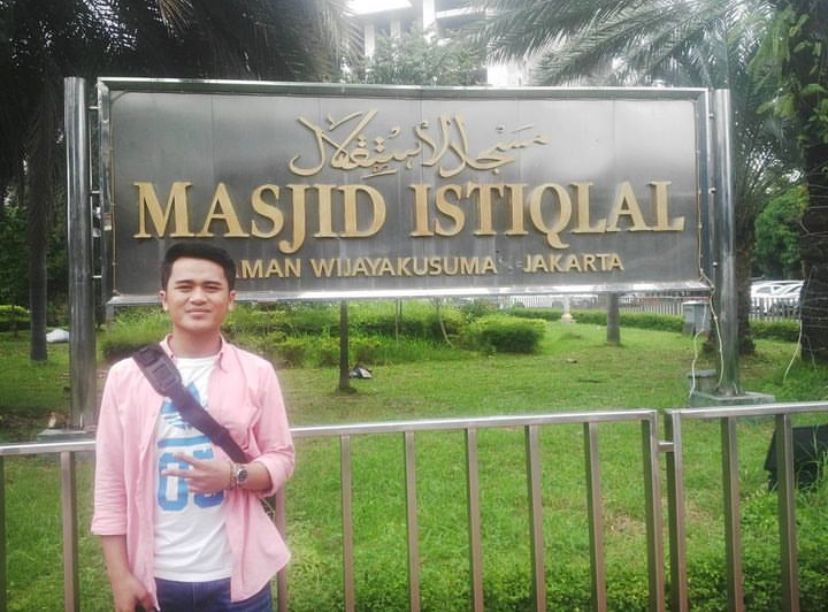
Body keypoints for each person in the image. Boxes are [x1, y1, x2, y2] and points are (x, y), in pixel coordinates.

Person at [92, 242, 294, 611]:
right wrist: (119, 576)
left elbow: (281, 456)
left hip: (238, 580)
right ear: (164, 298)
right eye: (185, 287)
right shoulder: (126, 377)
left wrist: (233, 475)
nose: (198, 297)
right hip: (155, 580)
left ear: (230, 300)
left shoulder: (257, 373)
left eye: (211, 287)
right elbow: (110, 482)